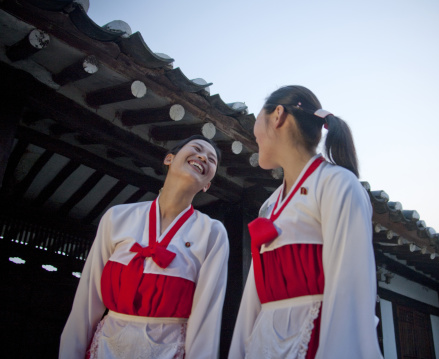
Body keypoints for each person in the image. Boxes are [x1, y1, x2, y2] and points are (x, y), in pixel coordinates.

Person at [228, 86, 382, 358]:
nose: (254, 134)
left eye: (257, 119)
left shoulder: (338, 184)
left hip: (315, 342)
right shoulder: (269, 205)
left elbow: (350, 294)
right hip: (263, 345)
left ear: (277, 115)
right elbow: (253, 300)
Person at [60, 135, 229, 359]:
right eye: (196, 149)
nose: (202, 157)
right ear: (169, 158)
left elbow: (207, 322)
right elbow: (86, 304)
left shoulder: (212, 233)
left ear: (207, 185)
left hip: (168, 352)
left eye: (211, 159)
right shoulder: (117, 217)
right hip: (106, 349)